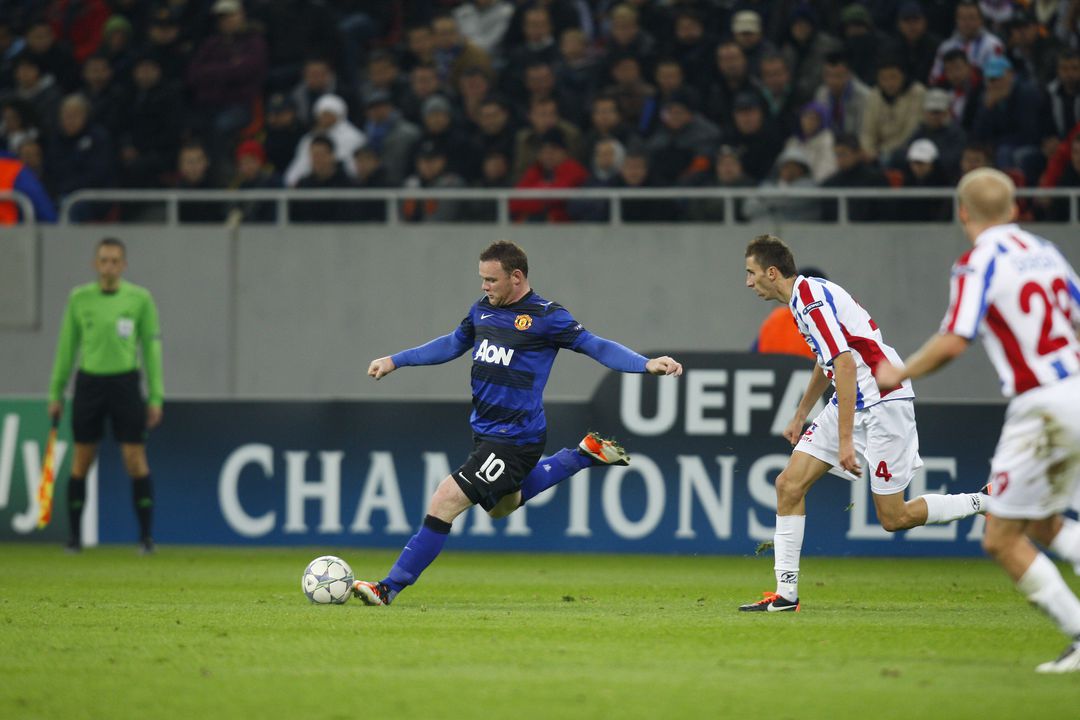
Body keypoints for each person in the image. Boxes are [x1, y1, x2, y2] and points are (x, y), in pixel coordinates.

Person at [352, 240, 683, 606]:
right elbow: (451, 344)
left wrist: (645, 364)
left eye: (491, 280)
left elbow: (596, 345)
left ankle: (388, 587)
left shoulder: (547, 317)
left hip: (516, 436)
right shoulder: (482, 310)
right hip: (485, 431)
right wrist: (396, 360)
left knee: (446, 498)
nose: (484, 286)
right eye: (482, 279)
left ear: (516, 277)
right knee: (501, 508)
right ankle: (581, 456)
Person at [875, 169, 1080, 672]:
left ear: (962, 212)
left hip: (1043, 406)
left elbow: (955, 338)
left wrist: (900, 371)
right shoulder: (1047, 252)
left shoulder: (977, 262)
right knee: (1044, 522)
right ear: (1014, 209)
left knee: (1002, 537)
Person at [739, 235, 987, 612]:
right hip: (854, 398)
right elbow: (828, 359)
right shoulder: (805, 297)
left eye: (751, 273)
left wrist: (843, 442)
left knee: (894, 517)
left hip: (884, 401)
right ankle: (786, 595)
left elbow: (844, 364)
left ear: (771, 272)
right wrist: (801, 412)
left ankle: (983, 500)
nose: (748, 282)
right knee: (788, 485)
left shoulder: (809, 300)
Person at [48, 238, 164, 554]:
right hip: (90, 384)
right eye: (104, 260)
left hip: (125, 383)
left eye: (115, 261)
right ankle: (74, 538)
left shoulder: (140, 299)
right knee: (82, 459)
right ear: (95, 264)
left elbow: (151, 349)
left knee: (135, 459)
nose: (109, 266)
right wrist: (56, 392)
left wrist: (156, 396)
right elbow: (66, 348)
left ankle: (146, 538)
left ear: (123, 265)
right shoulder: (79, 299)